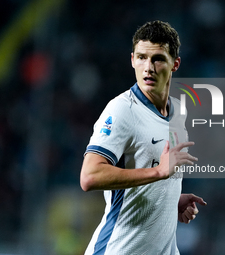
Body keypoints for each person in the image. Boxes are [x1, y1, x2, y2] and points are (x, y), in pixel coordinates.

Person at [80, 20, 206, 255]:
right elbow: (90, 176)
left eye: (157, 59)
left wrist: (170, 201)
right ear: (132, 60)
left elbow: (159, 171)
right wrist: (158, 173)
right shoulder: (122, 110)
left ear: (175, 64)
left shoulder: (179, 110)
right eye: (141, 57)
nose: (148, 67)